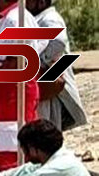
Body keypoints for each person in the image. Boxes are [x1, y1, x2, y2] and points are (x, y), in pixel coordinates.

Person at [0, 0, 46, 172]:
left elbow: (18, 59)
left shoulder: (16, 19)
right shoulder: (9, 19)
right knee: (6, 146)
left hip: (14, 94)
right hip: (6, 94)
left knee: (13, 150)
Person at [28, 0, 88, 133]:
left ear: (42, 2)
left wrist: (35, 62)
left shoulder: (50, 19)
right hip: (45, 86)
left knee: (45, 131)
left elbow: (58, 43)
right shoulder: (36, 19)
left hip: (51, 90)